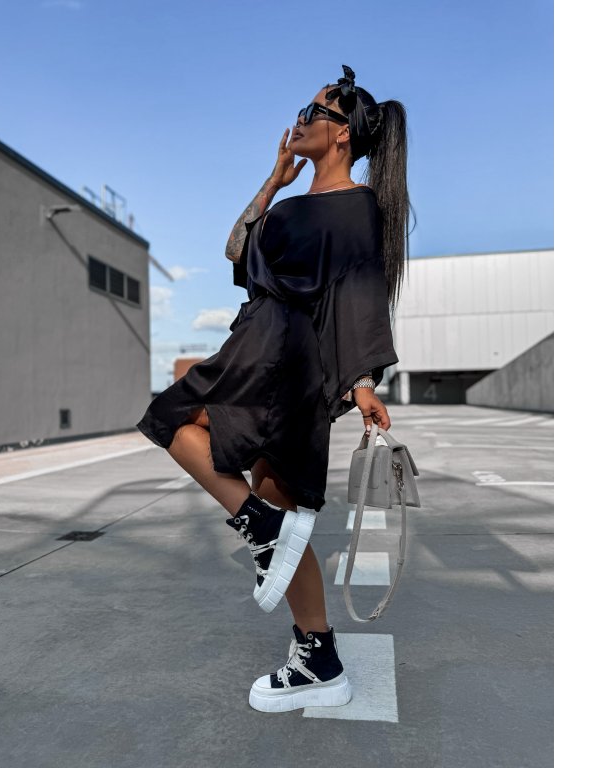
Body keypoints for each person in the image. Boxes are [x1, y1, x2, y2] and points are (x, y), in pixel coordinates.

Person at [135, 65, 410, 713]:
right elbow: (237, 249)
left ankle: (261, 531)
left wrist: (362, 381)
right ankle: (319, 658)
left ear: (342, 134)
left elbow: (359, 293)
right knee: (280, 514)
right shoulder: (296, 201)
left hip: (281, 358)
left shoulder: (356, 208)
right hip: (267, 350)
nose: (300, 119)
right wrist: (275, 178)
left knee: (171, 417)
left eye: (314, 112)